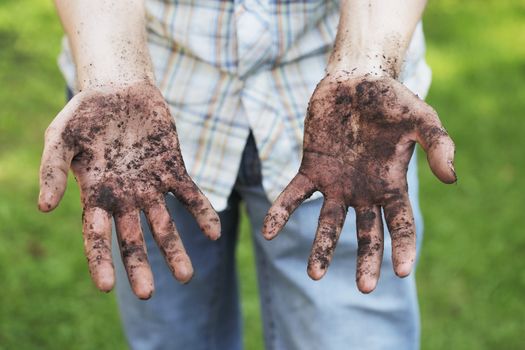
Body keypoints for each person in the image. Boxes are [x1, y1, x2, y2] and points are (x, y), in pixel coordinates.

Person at [40, 0, 456, 349]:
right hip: (138, 128)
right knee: (172, 337)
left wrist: (368, 67)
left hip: (344, 126)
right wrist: (113, 74)